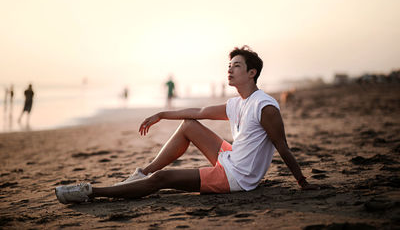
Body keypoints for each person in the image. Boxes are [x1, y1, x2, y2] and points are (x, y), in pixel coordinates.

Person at [55, 46, 318, 204]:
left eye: (236, 66)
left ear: (252, 73)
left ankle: (91, 192)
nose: (229, 70)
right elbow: (200, 111)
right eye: (229, 65)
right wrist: (162, 113)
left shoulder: (265, 106)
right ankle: (141, 172)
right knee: (189, 125)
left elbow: (282, 147)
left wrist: (302, 182)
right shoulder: (239, 102)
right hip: (232, 158)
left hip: (237, 176)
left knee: (164, 180)